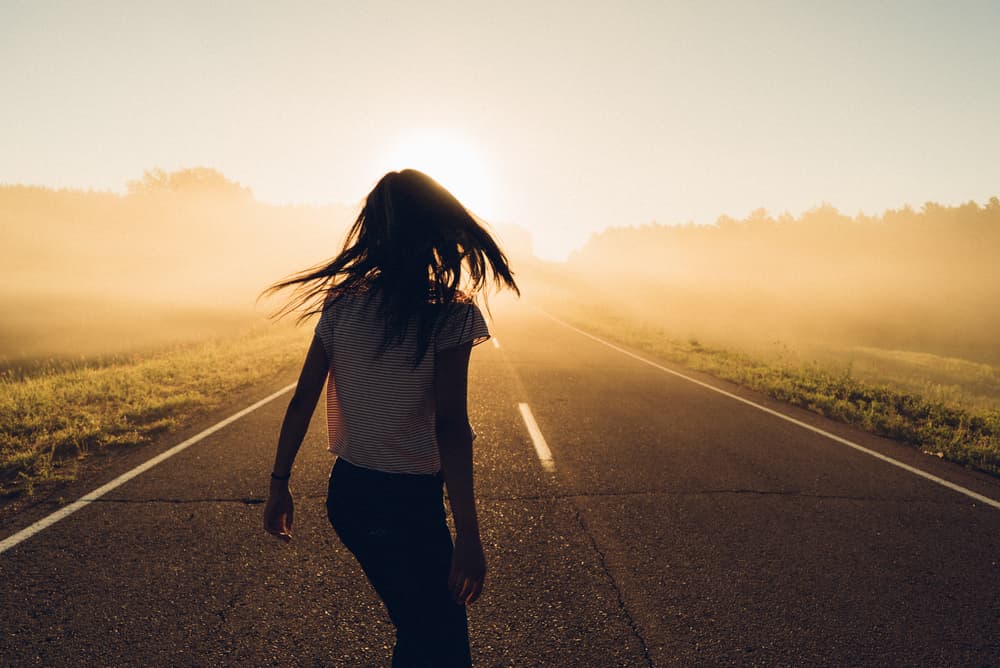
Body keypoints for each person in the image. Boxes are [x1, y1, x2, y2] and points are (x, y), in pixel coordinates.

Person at [261, 169, 519, 667]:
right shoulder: (450, 312)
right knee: (438, 641)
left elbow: (302, 401)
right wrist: (467, 536)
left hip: (351, 497)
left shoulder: (341, 305)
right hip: (406, 503)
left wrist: (279, 484)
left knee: (422, 629)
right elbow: (450, 425)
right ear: (436, 232)